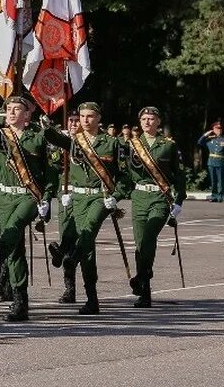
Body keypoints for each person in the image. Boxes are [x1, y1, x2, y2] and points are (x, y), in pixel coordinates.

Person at [0, 95, 55, 322]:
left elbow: (50, 172)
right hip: (2, 198)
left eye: (18, 109)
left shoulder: (37, 138)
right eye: (9, 109)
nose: (12, 112)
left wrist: (47, 199)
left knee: (15, 225)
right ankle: (20, 301)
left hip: (27, 197)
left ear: (28, 114)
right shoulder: (0, 137)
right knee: (15, 248)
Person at [45, 103, 128, 315]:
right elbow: (54, 139)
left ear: (99, 118)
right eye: (82, 116)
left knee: (89, 229)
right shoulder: (74, 142)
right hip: (77, 199)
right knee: (88, 250)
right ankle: (92, 298)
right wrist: (46, 125)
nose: (85, 120)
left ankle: (68, 254)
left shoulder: (112, 144)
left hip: (100, 198)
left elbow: (126, 177)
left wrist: (116, 196)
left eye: (90, 116)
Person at [124, 106, 186, 308]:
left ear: (158, 122)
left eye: (152, 119)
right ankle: (145, 291)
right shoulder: (132, 145)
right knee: (141, 244)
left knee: (149, 235)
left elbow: (179, 175)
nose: (148, 122)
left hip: (160, 197)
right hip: (139, 195)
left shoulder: (168, 145)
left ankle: (140, 277)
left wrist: (178, 201)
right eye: (144, 119)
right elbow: (125, 175)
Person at [48, 109, 82, 304]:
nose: (74, 124)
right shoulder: (59, 142)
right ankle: (69, 288)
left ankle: (61, 252)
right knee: (67, 232)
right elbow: (53, 166)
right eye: (71, 120)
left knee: (79, 238)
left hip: (83, 193)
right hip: (65, 192)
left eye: (77, 120)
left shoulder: (89, 142)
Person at [197, 122, 224, 202]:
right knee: (213, 180)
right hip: (211, 162)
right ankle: (213, 196)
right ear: (213, 129)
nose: (219, 130)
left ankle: (220, 196)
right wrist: (206, 134)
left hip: (221, 162)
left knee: (220, 180)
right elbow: (199, 142)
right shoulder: (209, 139)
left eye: (220, 129)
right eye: (216, 129)